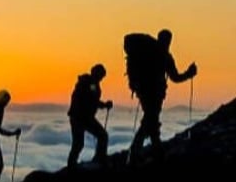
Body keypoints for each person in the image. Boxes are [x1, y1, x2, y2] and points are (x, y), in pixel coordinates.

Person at [129, 29, 197, 164]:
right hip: (155, 95)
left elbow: (173, 77)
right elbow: (175, 77)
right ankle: (137, 154)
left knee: (150, 122)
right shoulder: (165, 56)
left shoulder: (150, 53)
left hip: (145, 93)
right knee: (150, 121)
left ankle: (152, 152)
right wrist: (189, 74)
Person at [67, 64, 113, 167]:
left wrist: (103, 105)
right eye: (101, 75)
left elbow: (92, 100)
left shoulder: (88, 83)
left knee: (79, 143)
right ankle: (99, 158)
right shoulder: (90, 84)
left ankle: (72, 165)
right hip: (81, 118)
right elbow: (91, 99)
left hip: (79, 117)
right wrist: (104, 105)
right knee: (101, 136)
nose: (101, 78)